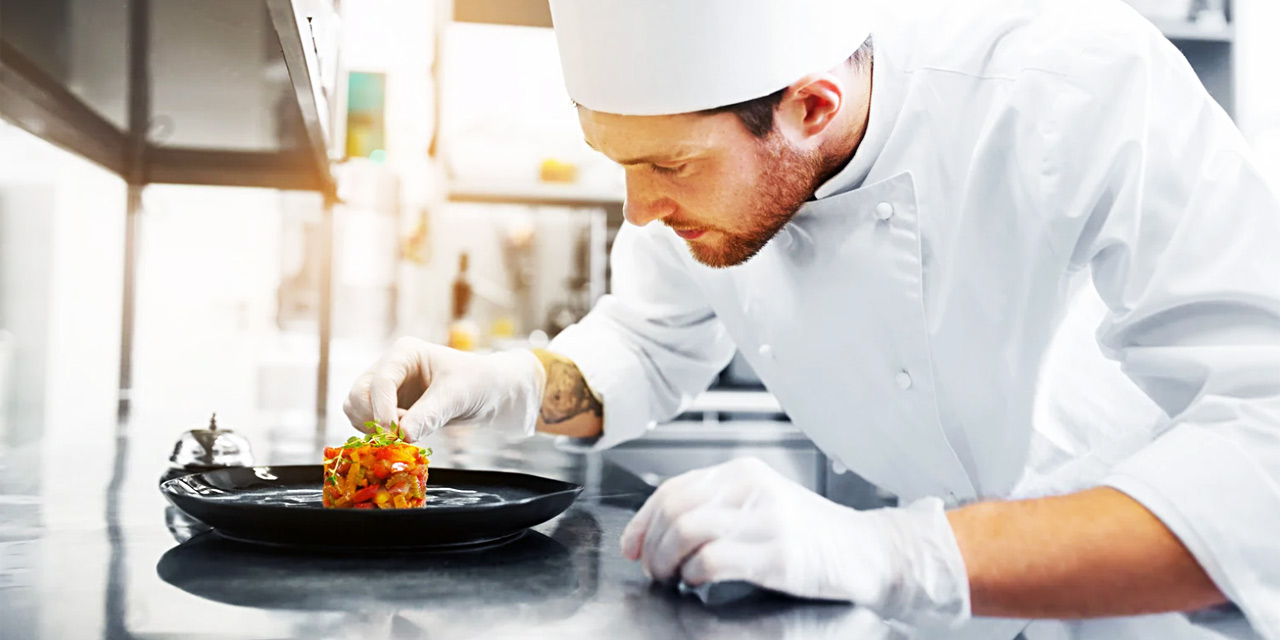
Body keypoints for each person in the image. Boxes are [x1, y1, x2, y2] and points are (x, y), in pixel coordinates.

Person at [343, 0, 1280, 637]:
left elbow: (1265, 458)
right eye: (615, 159)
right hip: (935, 613)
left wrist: (889, 551)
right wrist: (509, 384)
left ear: (812, 106)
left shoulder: (1073, 84)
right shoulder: (708, 157)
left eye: (667, 167)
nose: (638, 210)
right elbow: (647, 341)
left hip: (1153, 598)